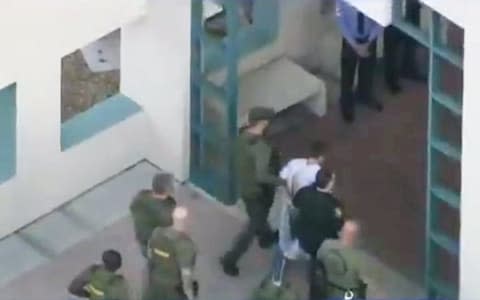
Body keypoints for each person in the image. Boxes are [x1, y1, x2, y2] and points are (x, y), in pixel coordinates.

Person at [221, 106, 286, 277]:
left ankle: (266, 237)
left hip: (246, 187)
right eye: (269, 122)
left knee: (260, 217)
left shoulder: (241, 137)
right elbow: (262, 175)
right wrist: (284, 181)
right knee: (251, 228)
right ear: (263, 123)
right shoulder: (261, 146)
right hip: (258, 192)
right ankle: (229, 259)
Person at [291, 168, 345, 299]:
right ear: (329, 184)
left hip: (301, 233)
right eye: (333, 180)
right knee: (316, 266)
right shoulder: (333, 205)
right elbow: (338, 225)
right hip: (318, 242)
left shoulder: (304, 192)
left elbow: (295, 204)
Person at [336, 0, 384, 123]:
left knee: (368, 70)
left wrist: (369, 41)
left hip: (369, 38)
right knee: (347, 75)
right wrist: (354, 44)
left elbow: (381, 19)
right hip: (350, 40)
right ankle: (346, 105)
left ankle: (364, 95)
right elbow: (340, 19)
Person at [143, 206, 198, 300]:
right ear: (187, 222)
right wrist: (190, 295)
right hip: (173, 287)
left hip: (155, 282)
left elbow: (150, 255)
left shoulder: (157, 232)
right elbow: (186, 275)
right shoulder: (186, 245)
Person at [313, 220, 368, 300]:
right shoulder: (359, 257)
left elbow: (318, 259)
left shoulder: (326, 244)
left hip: (327, 289)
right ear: (356, 237)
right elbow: (363, 279)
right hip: (348, 294)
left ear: (340, 232)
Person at [130, 173, 177, 257]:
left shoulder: (141, 195)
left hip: (141, 237)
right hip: (154, 244)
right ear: (167, 190)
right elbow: (170, 227)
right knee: (163, 259)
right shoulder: (165, 213)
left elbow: (132, 207)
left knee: (148, 256)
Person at [383, 0, 423, 93]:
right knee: (391, 50)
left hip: (412, 8)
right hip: (391, 13)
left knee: (412, 42)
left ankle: (409, 69)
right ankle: (390, 80)